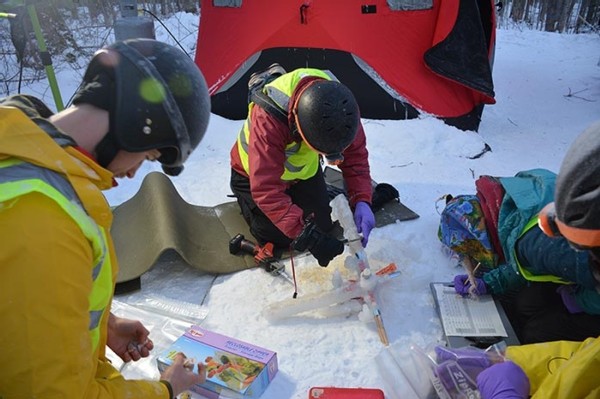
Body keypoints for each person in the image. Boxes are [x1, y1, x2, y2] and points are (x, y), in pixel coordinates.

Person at [0, 38, 211, 398]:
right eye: (147, 156)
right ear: (135, 122)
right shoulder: (44, 220)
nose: (132, 174)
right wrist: (164, 389)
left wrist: (104, 327)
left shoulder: (27, 156)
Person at [475, 121, 600, 398]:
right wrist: (523, 366)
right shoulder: (542, 239)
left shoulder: (554, 252)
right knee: (528, 305)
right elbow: (588, 362)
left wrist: (579, 301)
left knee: (541, 327)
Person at [229, 66, 375, 267]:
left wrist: (362, 200)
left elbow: (356, 157)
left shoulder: (342, 107)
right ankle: (265, 81)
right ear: (299, 126)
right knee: (285, 238)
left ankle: (273, 77)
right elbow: (266, 189)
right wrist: (306, 236)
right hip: (250, 175)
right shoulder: (268, 119)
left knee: (322, 225)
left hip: (300, 174)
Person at [441, 168, 600, 343]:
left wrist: (580, 300)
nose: (477, 260)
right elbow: (523, 256)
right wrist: (488, 282)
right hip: (580, 260)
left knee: (538, 333)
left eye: (474, 253)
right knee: (526, 303)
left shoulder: (543, 246)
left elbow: (536, 251)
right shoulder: (520, 195)